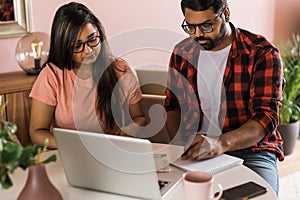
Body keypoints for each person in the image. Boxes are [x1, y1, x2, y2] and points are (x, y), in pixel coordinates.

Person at [164, 0, 284, 195]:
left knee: (261, 196)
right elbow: (172, 106)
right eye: (190, 27)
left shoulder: (261, 52)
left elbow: (265, 118)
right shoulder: (182, 53)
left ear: (226, 14)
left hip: (251, 151)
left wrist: (220, 143)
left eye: (206, 25)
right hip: (196, 149)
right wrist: (180, 144)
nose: (198, 34)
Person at [29, 2, 146, 149]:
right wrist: (75, 146)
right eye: (78, 46)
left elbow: (140, 118)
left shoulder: (119, 69)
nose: (89, 51)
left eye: (92, 39)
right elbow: (37, 132)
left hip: (113, 152)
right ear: (64, 47)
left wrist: (132, 129)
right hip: (71, 154)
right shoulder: (51, 76)